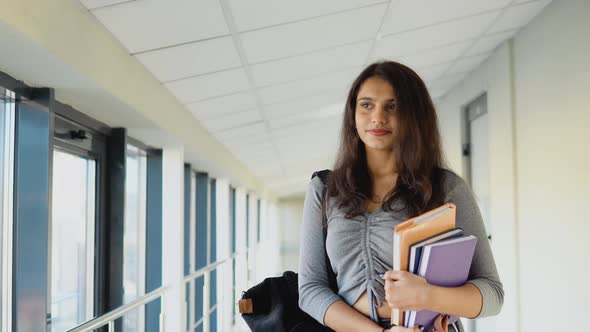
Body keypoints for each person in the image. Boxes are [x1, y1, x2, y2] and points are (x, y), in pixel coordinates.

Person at [298, 61, 504, 332]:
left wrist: (428, 295)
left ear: (414, 115)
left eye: (392, 106)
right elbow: (310, 290)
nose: (378, 118)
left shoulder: (445, 188)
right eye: (367, 105)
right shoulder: (324, 189)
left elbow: (492, 294)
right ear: (353, 114)